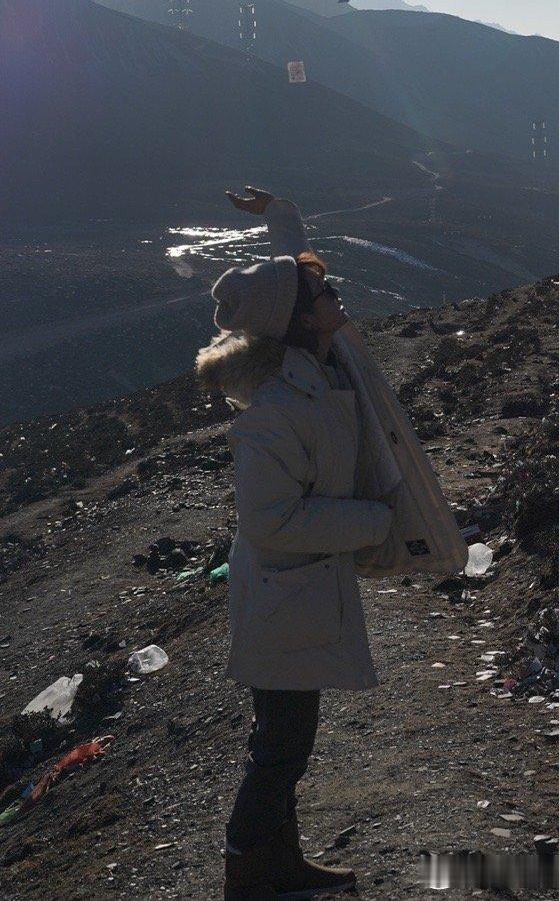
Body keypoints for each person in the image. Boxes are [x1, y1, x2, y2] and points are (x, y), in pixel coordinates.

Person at [195, 186, 402, 901]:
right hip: (285, 593)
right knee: (280, 749)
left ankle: (278, 861)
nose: (335, 293)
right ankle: (250, 870)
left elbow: (288, 273)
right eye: (325, 292)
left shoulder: (310, 365)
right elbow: (270, 521)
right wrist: (375, 522)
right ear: (298, 322)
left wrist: (282, 217)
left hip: (299, 593)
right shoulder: (274, 416)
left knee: (287, 743)